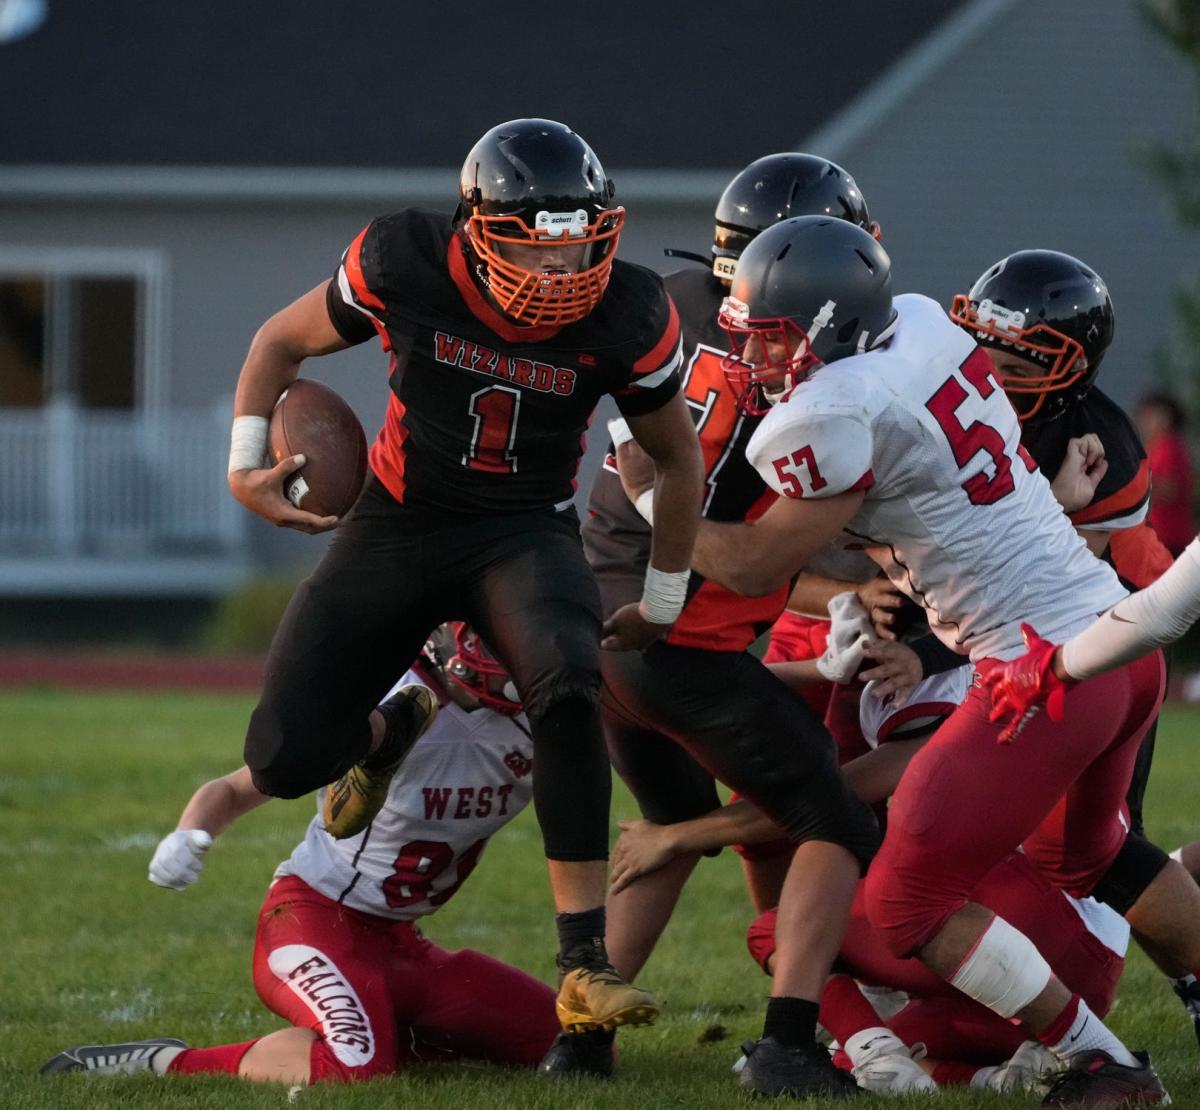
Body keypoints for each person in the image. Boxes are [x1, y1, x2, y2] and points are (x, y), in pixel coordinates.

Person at [685, 213, 1200, 1106]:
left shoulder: (832, 410)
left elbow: (757, 564)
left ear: (828, 329)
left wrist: (657, 508)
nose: (755, 357)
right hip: (1121, 650)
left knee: (905, 905)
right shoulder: (921, 322)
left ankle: (1100, 1062)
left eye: (769, 338)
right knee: (1090, 860)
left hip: (1041, 675)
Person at [224, 118, 704, 1035]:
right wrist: (248, 462)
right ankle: (380, 731)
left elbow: (676, 461)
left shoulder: (631, 312)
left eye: (580, 251)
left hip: (521, 531)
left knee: (567, 687)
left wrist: (667, 595)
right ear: (476, 230)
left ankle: (583, 962)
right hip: (401, 519)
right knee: (282, 759)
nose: (560, 275)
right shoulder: (404, 258)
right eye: (535, 249)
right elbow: (277, 345)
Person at [581, 153, 883, 1098]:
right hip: (679, 640)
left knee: (673, 818)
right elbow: (761, 547)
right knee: (832, 813)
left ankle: (579, 1040)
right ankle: (793, 1045)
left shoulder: (665, 301)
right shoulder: (801, 365)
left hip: (593, 623)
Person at [40, 626, 614, 1084]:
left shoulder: (548, 724)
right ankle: (165, 1064)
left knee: (571, 1047)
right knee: (355, 1072)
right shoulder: (400, 706)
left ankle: (391, 1036)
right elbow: (242, 786)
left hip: (403, 946)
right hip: (313, 920)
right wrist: (191, 833)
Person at [951, 250, 1174, 837]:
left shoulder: (1104, 448)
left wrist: (1057, 508)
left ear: (1071, 374)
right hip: (986, 634)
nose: (991, 382)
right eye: (982, 357)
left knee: (1101, 844)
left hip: (1109, 644)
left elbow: (1042, 587)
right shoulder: (944, 405)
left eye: (1016, 370)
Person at [1137, 392, 1195, 557]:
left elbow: (1170, 490)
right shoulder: (1155, 446)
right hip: (1160, 536)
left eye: (1151, 414)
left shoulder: (1168, 445)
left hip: (1169, 536)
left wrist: (1132, 485)